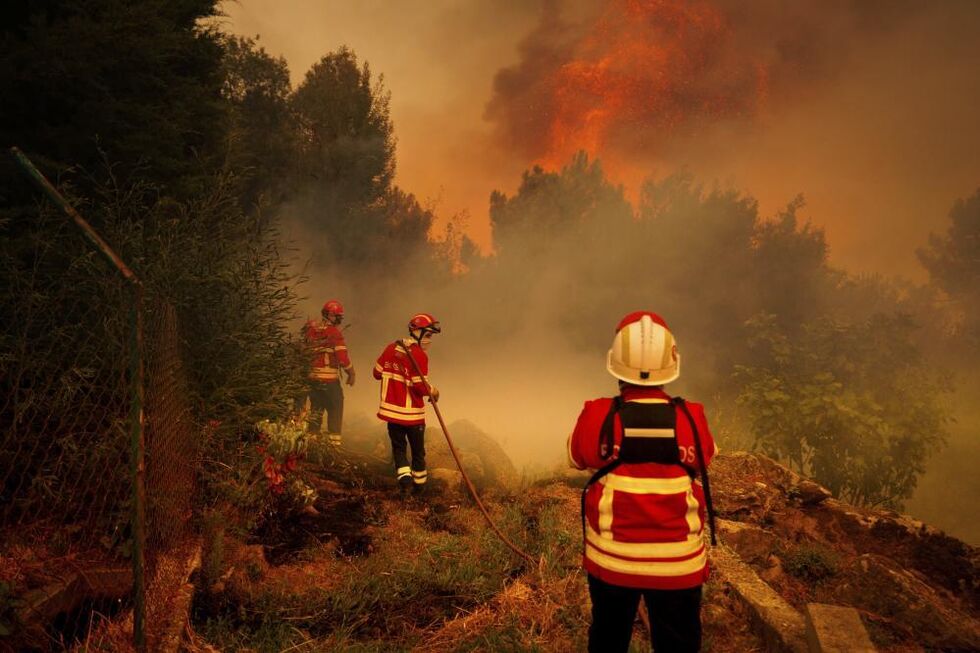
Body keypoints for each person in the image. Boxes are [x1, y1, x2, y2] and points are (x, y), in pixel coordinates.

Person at [568, 311, 716, 653]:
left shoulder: (597, 414)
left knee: (608, 634)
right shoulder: (692, 416)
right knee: (678, 641)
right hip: (680, 565)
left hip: (612, 561)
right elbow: (706, 457)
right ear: (671, 364)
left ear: (615, 363)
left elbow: (575, 457)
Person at [373, 313, 441, 494]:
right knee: (418, 453)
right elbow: (420, 387)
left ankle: (404, 483)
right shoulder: (419, 355)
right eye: (427, 335)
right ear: (416, 332)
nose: (429, 340)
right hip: (413, 417)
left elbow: (376, 373)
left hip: (392, 415)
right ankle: (419, 489)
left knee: (399, 450)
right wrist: (434, 391)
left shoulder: (390, 348)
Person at [301, 299, 355, 446]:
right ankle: (333, 447)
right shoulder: (334, 333)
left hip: (312, 380)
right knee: (335, 409)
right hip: (330, 382)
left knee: (316, 411)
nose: (339, 320)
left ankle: (312, 444)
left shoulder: (311, 330)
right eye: (338, 317)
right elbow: (342, 358)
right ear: (331, 315)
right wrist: (352, 373)